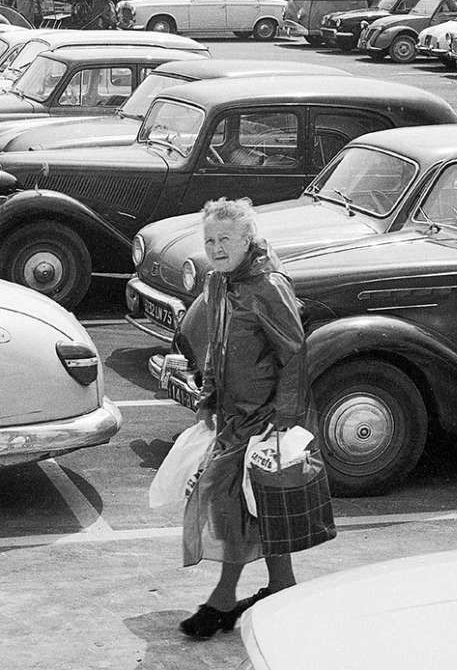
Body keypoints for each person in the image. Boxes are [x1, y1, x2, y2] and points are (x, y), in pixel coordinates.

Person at [173, 198, 330, 639]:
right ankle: (281, 586)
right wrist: (207, 397)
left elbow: (295, 351)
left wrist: (285, 416)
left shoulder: (267, 285)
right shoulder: (218, 280)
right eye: (209, 240)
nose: (216, 247)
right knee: (257, 509)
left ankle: (223, 601)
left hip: (264, 418)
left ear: (248, 239)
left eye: (225, 239)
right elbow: (216, 344)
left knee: (232, 501)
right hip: (232, 416)